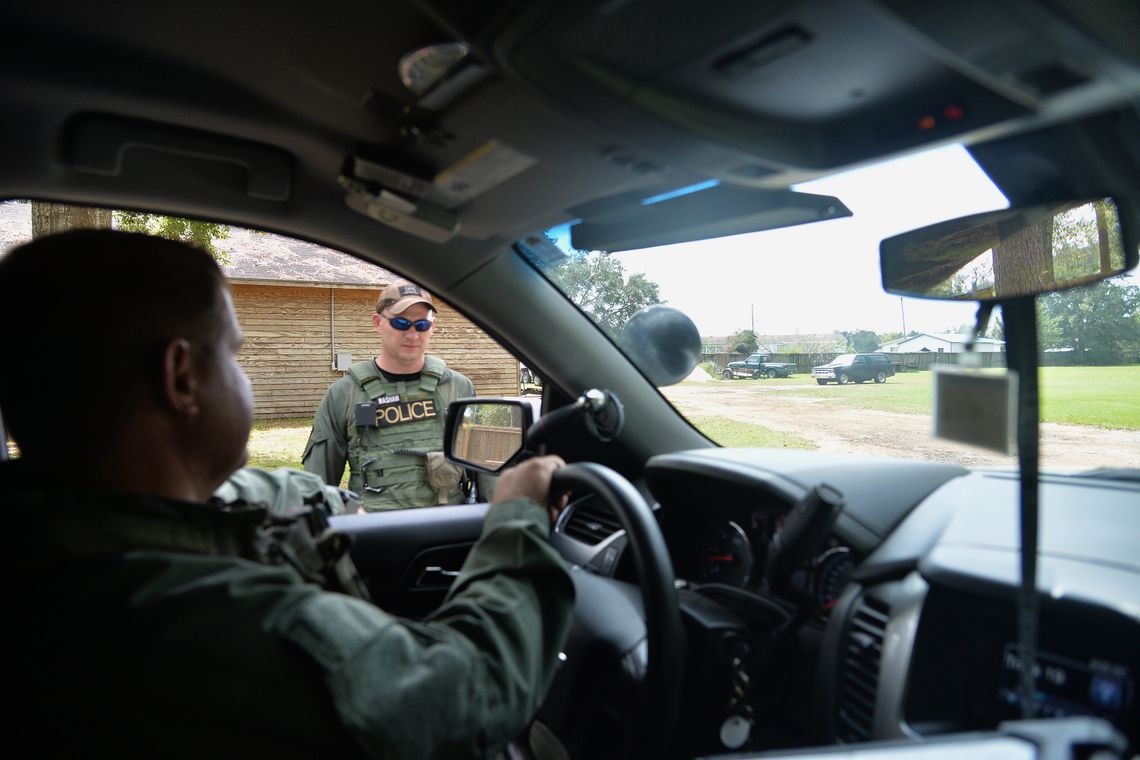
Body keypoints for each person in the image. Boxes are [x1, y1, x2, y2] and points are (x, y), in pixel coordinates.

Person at [1, 229, 574, 759]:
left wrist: (339, 502)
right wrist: (521, 518)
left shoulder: (59, 540)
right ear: (181, 376)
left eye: (423, 324)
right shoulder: (241, 624)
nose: (414, 333)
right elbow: (470, 696)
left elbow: (266, 487)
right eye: (235, 354)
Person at [302, 278, 492, 510]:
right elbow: (316, 486)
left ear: (433, 327)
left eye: (422, 325)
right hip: (377, 534)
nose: (412, 335)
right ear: (377, 323)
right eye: (401, 323)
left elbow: (489, 474)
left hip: (446, 531)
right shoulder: (344, 393)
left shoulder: (458, 388)